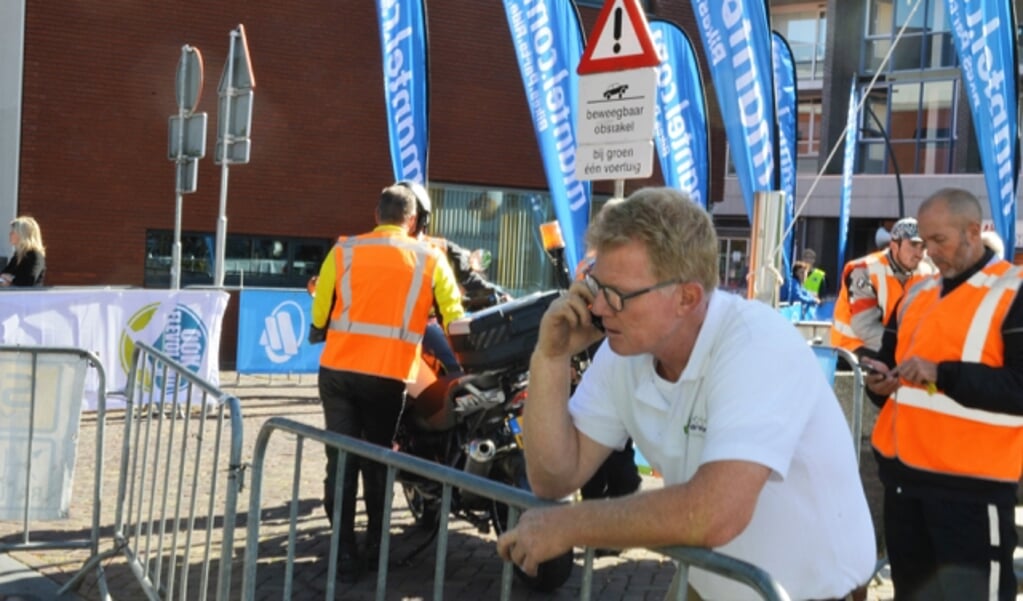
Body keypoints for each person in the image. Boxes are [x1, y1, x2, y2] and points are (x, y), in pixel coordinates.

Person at [497, 187, 875, 600]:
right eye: (595, 286)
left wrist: (569, 525)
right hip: (717, 580)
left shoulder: (757, 344)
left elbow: (716, 513)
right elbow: (553, 478)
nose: (599, 309)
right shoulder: (624, 350)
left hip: (806, 594)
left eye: (617, 295)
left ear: (687, 297)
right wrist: (549, 359)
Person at [862, 187, 1023, 601]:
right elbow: (891, 371)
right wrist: (878, 384)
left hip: (972, 492)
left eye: (940, 241)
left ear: (973, 231)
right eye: (924, 242)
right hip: (904, 485)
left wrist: (943, 374)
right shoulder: (916, 293)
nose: (930, 252)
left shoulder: (1014, 290)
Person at [308, 181, 464, 582]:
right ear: (412, 221)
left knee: (341, 458)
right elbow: (455, 317)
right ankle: (377, 547)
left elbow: (321, 309)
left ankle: (343, 553)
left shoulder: (343, 249)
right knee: (377, 458)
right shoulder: (429, 257)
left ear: (376, 216)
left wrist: (319, 327)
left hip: (338, 372)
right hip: (387, 376)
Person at [830, 217, 932, 357]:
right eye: (913, 245)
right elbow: (864, 326)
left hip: (896, 346)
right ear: (894, 245)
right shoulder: (864, 269)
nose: (919, 253)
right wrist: (905, 348)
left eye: (924, 247)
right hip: (852, 347)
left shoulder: (928, 273)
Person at [0, 216, 46, 287]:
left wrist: (11, 279)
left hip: (29, 297)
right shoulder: (17, 255)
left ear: (23, 235)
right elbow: (4, 274)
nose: (10, 234)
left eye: (13, 232)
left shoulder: (35, 255)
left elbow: (29, 280)